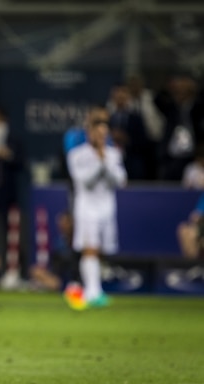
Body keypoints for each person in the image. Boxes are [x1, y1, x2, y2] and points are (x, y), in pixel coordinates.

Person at [66, 109, 127, 309]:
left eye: (104, 134)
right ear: (89, 133)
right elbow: (85, 181)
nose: (100, 137)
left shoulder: (114, 154)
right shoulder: (77, 155)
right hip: (86, 208)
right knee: (89, 248)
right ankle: (93, 292)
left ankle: (92, 289)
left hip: (107, 209)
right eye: (96, 133)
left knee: (100, 250)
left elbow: (121, 180)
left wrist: (106, 163)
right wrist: (100, 163)